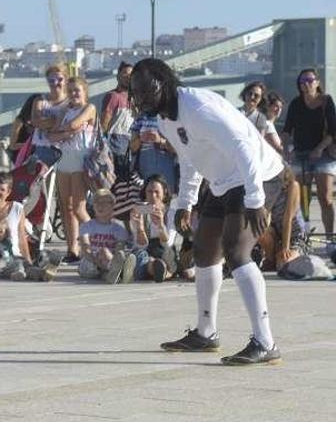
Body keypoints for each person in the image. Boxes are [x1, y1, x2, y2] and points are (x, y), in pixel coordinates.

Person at [129, 58, 286, 365]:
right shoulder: (165, 119)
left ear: (165, 82)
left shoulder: (199, 108)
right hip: (222, 182)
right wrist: (186, 202)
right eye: (136, 92)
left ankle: (266, 342)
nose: (141, 98)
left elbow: (243, 147)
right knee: (204, 250)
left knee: (236, 250)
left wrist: (255, 199)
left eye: (146, 90)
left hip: (258, 176)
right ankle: (206, 333)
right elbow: (190, 159)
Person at [282, 68, 336, 240]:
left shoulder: (327, 101)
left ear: (317, 82)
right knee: (300, 199)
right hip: (300, 155)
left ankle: (329, 238)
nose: (306, 83)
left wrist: (319, 149)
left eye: (310, 80)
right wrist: (286, 149)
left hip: (324, 154)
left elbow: (333, 131)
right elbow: (287, 130)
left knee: (325, 197)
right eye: (302, 81)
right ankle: (303, 234)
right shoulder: (296, 104)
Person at [47, 76, 95, 262]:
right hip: (64, 161)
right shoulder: (65, 110)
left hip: (80, 161)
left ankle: (95, 243)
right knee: (65, 207)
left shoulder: (89, 108)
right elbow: (51, 135)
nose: (74, 94)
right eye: (71, 90)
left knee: (78, 207)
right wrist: (67, 132)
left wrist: (66, 131)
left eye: (77, 90)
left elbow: (76, 124)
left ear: (84, 92)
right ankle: (72, 249)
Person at [77, 189, 134, 284]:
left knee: (109, 256)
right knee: (103, 252)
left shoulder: (119, 229)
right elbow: (85, 249)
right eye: (96, 202)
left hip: (109, 259)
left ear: (112, 205)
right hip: (90, 262)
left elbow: (119, 251)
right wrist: (98, 261)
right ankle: (116, 271)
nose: (100, 206)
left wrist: (107, 259)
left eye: (104, 202)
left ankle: (110, 274)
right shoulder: (86, 226)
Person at [129, 175, 178, 283]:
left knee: (164, 255)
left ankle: (162, 271)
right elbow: (140, 245)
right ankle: (159, 270)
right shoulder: (139, 212)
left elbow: (168, 243)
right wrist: (140, 228)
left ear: (164, 192)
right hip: (147, 251)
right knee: (144, 257)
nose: (153, 196)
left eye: (157, 192)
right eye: (149, 192)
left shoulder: (171, 213)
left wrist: (160, 225)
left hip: (165, 251)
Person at [29, 64, 70, 167]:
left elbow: (71, 126)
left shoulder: (70, 102)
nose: (55, 83)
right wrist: (57, 120)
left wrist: (47, 122)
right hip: (42, 149)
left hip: (65, 150)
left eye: (60, 79)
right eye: (51, 80)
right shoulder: (39, 100)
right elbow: (36, 122)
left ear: (65, 80)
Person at [101, 61, 135, 167]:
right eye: (125, 73)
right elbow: (104, 122)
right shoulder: (113, 96)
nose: (128, 77)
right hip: (115, 147)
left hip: (129, 147)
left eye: (131, 75)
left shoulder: (135, 98)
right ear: (118, 76)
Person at [239, 81, 282, 155]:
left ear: (260, 99)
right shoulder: (234, 112)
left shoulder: (261, 118)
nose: (252, 97)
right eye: (250, 93)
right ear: (245, 94)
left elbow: (258, 141)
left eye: (256, 96)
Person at [7, 93, 42, 165]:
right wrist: (29, 146)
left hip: (34, 158)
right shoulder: (20, 121)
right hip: (20, 158)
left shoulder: (40, 122)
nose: (40, 109)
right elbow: (12, 145)